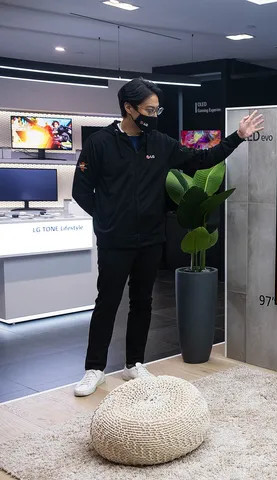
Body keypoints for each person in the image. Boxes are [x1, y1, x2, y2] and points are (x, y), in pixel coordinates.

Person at [71, 78, 264, 397]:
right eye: (149, 110)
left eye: (157, 110)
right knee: (107, 303)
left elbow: (203, 160)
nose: (154, 115)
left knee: (142, 302)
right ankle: (94, 369)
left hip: (150, 239)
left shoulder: (160, 143)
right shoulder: (99, 143)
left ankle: (134, 364)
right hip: (114, 241)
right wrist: (107, 221)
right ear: (128, 108)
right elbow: (81, 191)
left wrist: (238, 137)